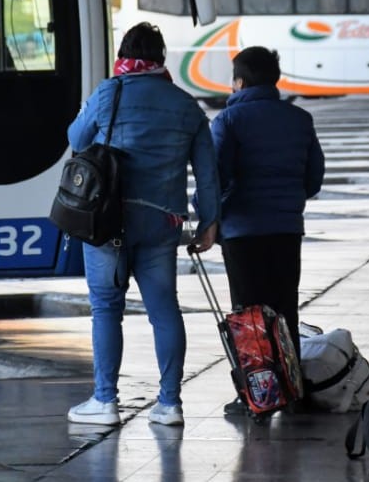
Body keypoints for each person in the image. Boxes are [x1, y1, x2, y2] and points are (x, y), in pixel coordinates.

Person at [65, 22, 221, 428]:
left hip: (108, 220)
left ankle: (105, 402)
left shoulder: (108, 92)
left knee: (105, 309)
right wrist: (209, 222)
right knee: (164, 310)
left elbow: (77, 139)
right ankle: (169, 404)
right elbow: (207, 171)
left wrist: (91, 110)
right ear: (161, 59)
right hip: (161, 222)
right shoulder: (185, 104)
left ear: (124, 55)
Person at [207, 46, 325, 415]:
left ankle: (258, 395)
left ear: (239, 81)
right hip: (286, 229)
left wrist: (208, 216)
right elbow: (314, 178)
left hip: (242, 232)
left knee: (249, 316)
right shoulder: (299, 119)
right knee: (284, 309)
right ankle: (292, 392)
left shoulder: (228, 121)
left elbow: (216, 178)